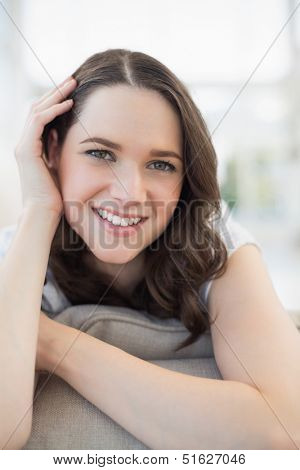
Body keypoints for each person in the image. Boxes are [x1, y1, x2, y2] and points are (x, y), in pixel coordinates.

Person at [1, 49, 299, 450]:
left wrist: (52, 344)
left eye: (161, 165)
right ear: (52, 151)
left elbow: (285, 429)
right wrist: (39, 208)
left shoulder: (217, 247)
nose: (129, 195)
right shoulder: (14, 260)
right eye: (100, 153)